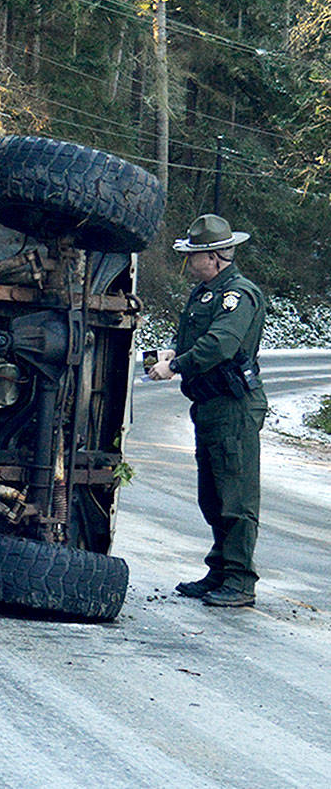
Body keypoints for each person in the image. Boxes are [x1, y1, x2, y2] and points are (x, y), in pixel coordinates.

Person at [147, 214, 267, 607]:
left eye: (194, 256)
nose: (188, 263)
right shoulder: (205, 293)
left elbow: (220, 345)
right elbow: (195, 338)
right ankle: (220, 569)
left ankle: (240, 580)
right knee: (212, 495)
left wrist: (176, 366)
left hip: (233, 407)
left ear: (214, 258)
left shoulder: (238, 295)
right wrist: (171, 352)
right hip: (210, 406)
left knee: (236, 495)